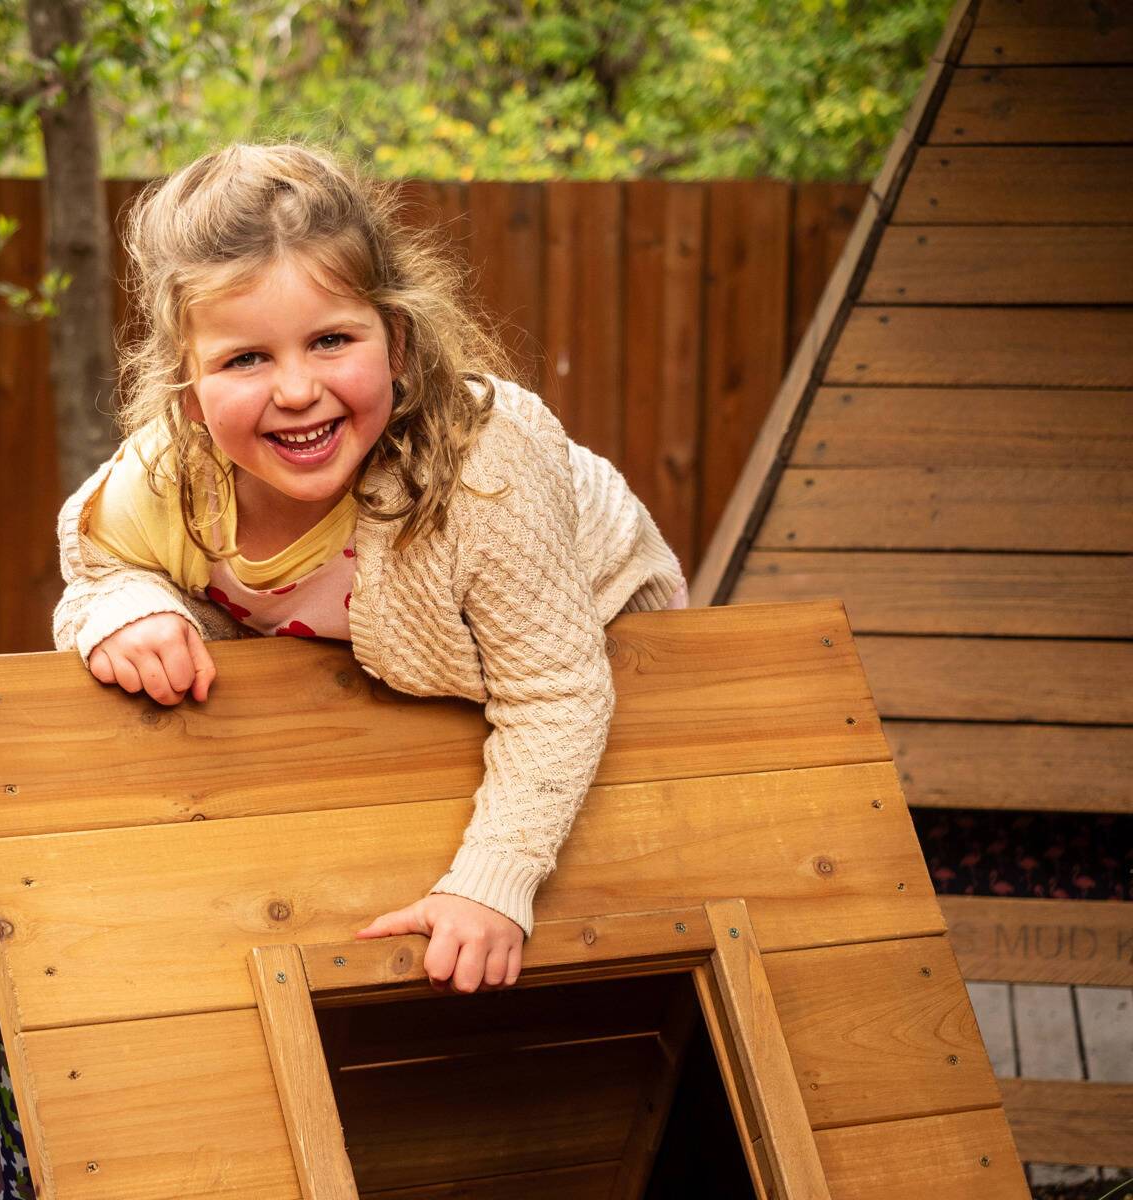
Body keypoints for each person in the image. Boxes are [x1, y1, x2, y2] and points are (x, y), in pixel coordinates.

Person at [53, 142, 686, 996]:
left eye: (330, 341)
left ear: (396, 337)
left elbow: (559, 690)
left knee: (638, 843)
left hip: (593, 616)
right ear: (186, 383)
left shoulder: (479, 474)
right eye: (246, 359)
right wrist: (126, 612)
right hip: (389, 669)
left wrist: (493, 884)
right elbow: (92, 569)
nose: (296, 389)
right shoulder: (167, 480)